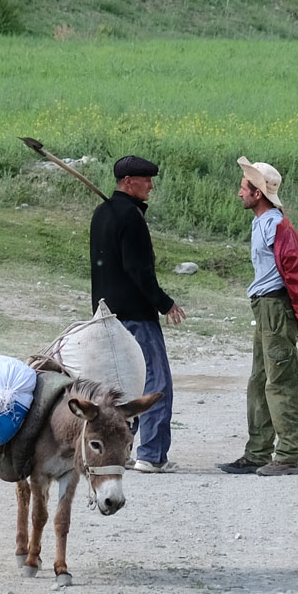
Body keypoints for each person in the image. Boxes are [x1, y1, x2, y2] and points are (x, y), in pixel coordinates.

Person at [218, 157, 298, 477]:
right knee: (260, 380)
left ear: (258, 194)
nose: (240, 193)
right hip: (265, 306)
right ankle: (258, 452)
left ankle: (288, 454)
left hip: (275, 307)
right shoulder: (263, 223)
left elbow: (297, 271)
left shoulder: (275, 224)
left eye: (244, 187)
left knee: (280, 380)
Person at [89, 154, 186, 473]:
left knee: (120, 386)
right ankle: (152, 455)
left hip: (106, 315)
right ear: (128, 183)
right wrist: (165, 303)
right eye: (146, 180)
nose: (151, 185)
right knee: (156, 384)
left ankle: (121, 451)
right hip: (136, 316)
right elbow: (138, 270)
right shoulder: (129, 217)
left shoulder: (102, 214)